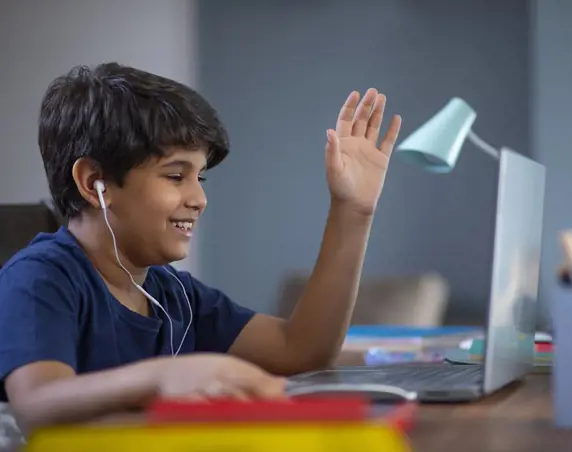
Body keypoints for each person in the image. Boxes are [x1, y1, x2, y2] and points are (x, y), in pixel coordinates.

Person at [0, 62, 402, 434]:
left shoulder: (174, 294)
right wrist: (162, 377)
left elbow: (301, 350)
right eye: (176, 176)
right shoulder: (39, 279)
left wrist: (353, 211)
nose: (199, 199)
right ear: (93, 183)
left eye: (201, 179)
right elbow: (38, 403)